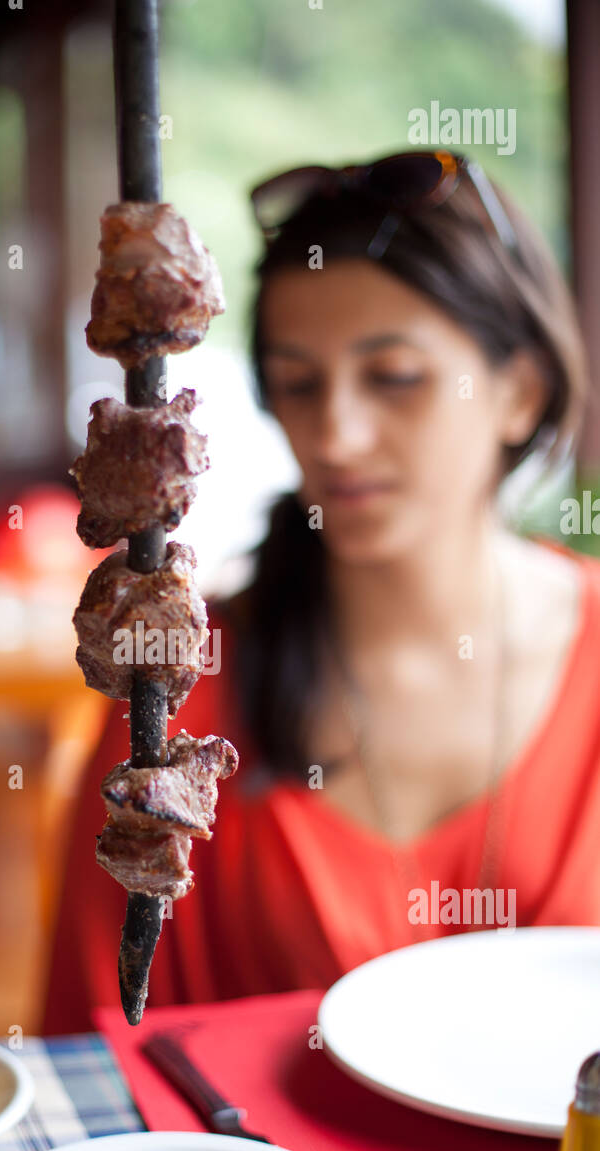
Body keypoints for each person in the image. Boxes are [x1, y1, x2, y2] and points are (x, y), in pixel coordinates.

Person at [42, 150, 595, 1036]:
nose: (336, 434)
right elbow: (96, 1048)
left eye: (394, 377)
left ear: (519, 393)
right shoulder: (174, 696)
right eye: (300, 385)